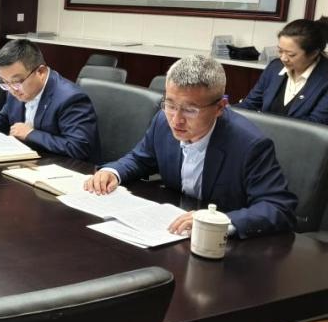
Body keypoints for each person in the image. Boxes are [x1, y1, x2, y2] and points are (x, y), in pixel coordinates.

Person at [84, 54, 296, 239]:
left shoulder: (250, 145)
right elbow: (141, 158)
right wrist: (113, 172)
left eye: (190, 110)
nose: (176, 120)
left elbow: (279, 208)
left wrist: (219, 221)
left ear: (220, 107)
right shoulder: (162, 121)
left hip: (221, 246)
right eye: (170, 104)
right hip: (174, 227)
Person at [0, 39, 100, 162]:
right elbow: (4, 120)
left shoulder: (70, 98)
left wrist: (31, 134)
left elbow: (78, 148)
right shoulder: (14, 88)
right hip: (27, 161)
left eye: (16, 81)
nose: (12, 89)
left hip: (64, 169)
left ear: (41, 72)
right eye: (5, 82)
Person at [238, 17, 328, 124]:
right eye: (280, 51)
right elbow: (250, 104)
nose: (283, 58)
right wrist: (226, 111)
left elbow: (315, 124)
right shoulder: (275, 67)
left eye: (291, 54)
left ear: (313, 53)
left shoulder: (324, 78)